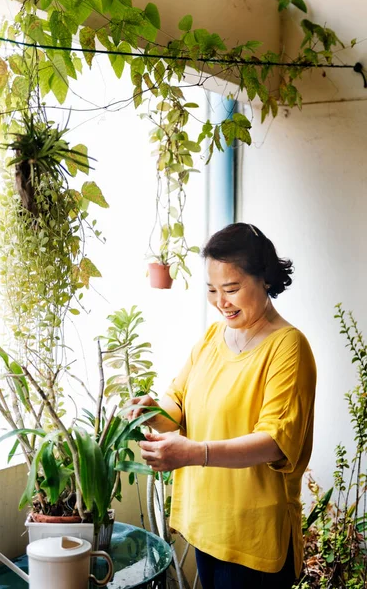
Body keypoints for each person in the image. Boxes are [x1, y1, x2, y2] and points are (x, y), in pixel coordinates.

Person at [128, 222, 316, 589]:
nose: (220, 302)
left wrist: (194, 452)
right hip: (208, 526)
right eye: (212, 290)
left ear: (264, 279)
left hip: (253, 539)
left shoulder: (288, 347)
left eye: (231, 289)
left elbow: (274, 441)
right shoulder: (215, 337)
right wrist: (153, 411)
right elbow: (179, 400)